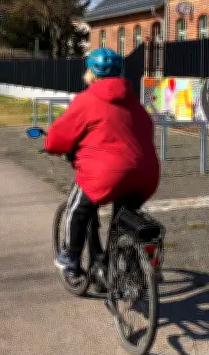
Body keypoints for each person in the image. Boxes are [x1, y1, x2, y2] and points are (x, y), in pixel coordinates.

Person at [44, 47, 160, 276]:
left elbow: (57, 138)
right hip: (145, 174)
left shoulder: (86, 100)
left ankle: (71, 257)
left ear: (91, 73)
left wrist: (51, 146)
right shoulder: (134, 102)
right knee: (123, 219)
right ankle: (117, 266)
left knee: (76, 207)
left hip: (105, 175)